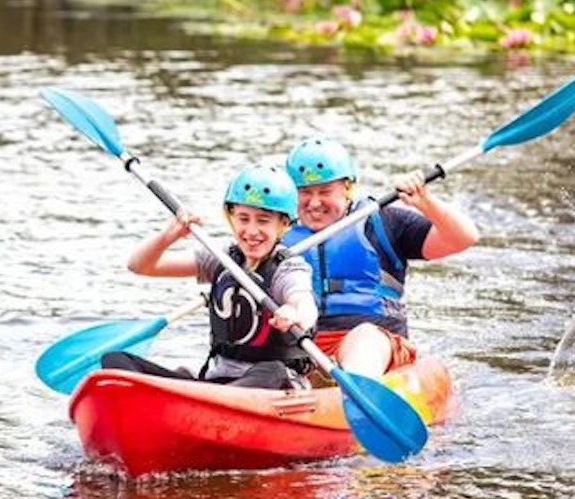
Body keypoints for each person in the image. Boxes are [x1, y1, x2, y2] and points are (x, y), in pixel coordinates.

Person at [101, 163, 319, 390]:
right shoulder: (221, 258)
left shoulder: (288, 268)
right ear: (231, 218)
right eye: (243, 219)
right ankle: (198, 399)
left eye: (263, 220)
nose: (252, 231)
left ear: (283, 224)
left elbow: (304, 303)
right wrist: (168, 236)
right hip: (216, 384)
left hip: (272, 387)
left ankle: (205, 401)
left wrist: (294, 314)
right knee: (116, 362)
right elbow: (139, 266)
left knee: (271, 371)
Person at [282, 135, 480, 379]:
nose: (314, 203)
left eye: (325, 191)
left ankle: (359, 390)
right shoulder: (275, 236)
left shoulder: (382, 223)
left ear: (347, 188)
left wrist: (425, 202)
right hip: (302, 347)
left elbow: (464, 238)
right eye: (304, 192)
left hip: (375, 346)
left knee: (365, 337)